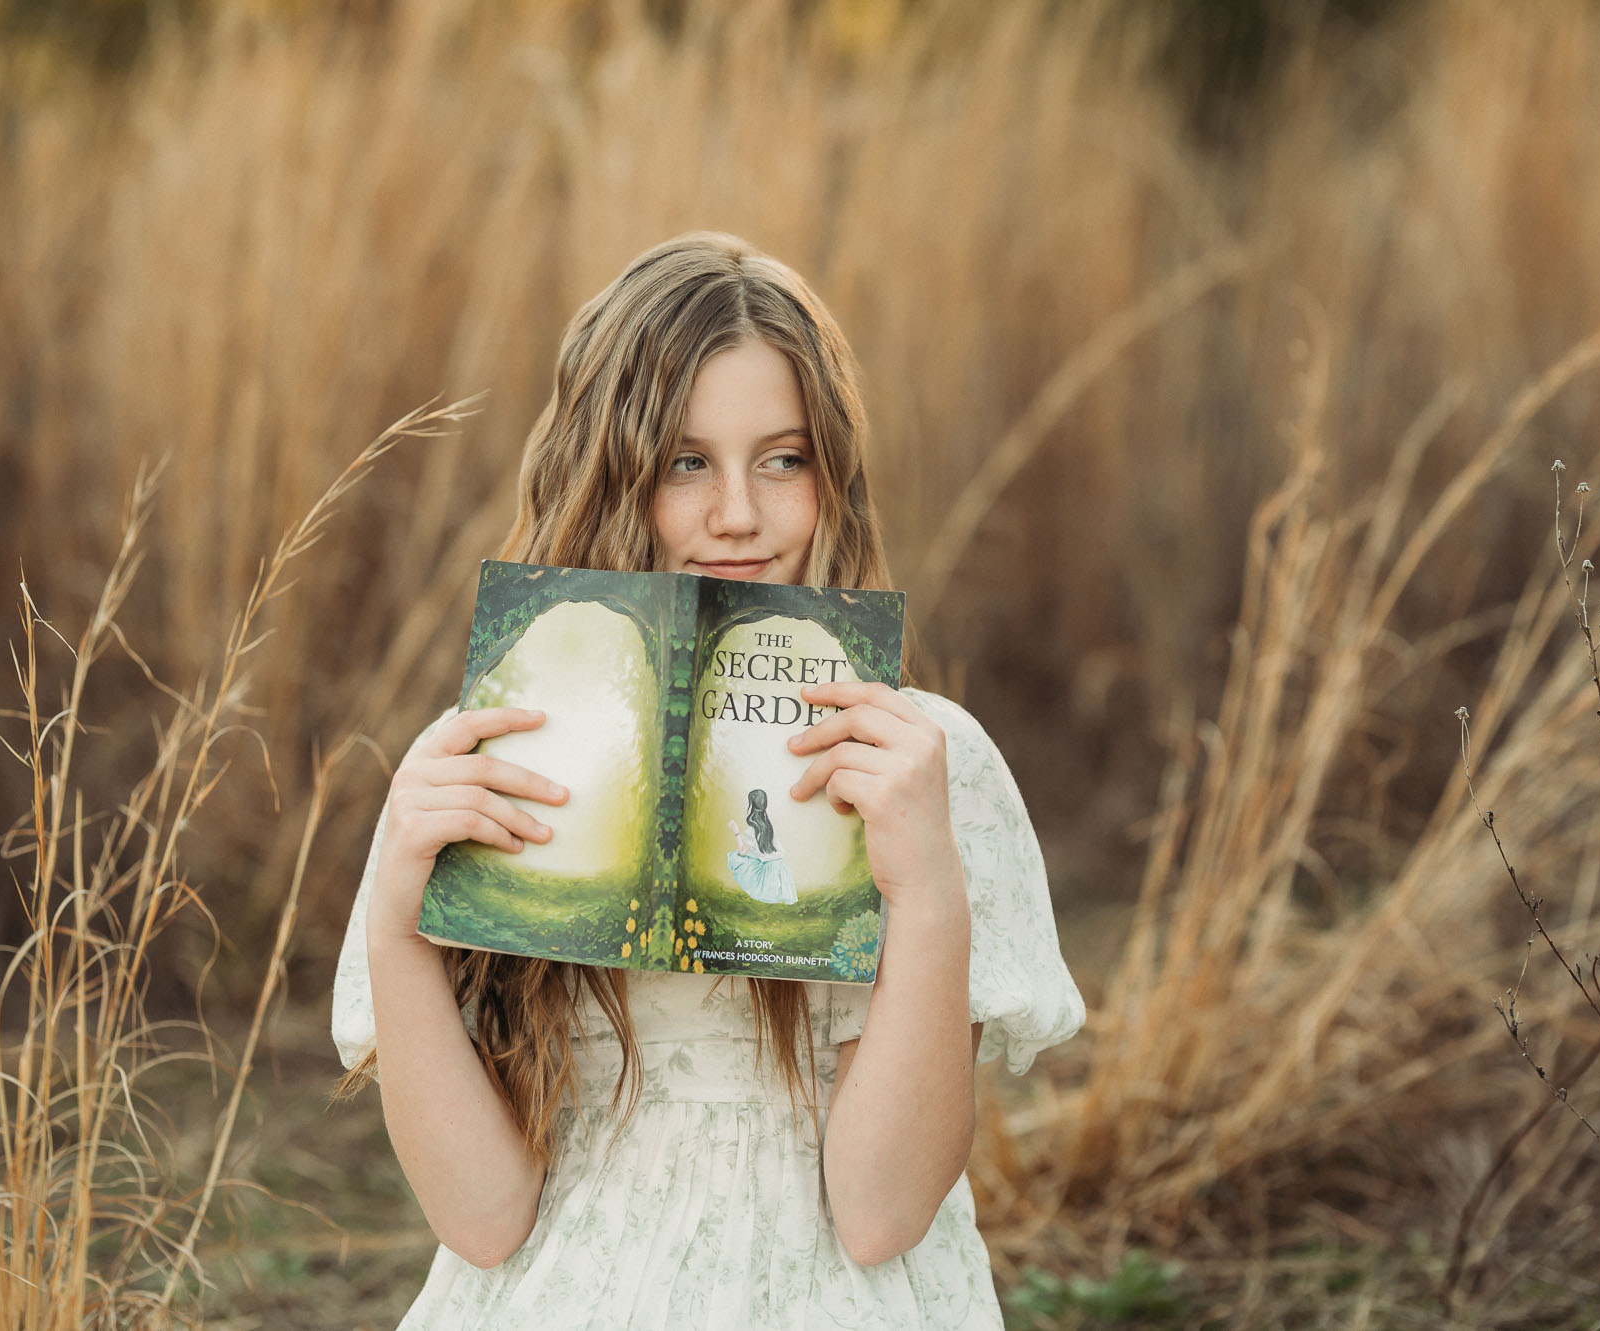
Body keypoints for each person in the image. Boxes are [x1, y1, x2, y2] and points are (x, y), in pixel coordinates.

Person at [330, 231, 1085, 1329]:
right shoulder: (483, 754)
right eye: (685, 463)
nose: (738, 512)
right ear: (607, 472)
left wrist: (925, 889)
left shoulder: (919, 762)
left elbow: (878, 1214)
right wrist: (400, 926)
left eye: (782, 458)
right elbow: (483, 1219)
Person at [727, 790, 799, 905]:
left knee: (736, 856)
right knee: (751, 853)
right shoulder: (768, 825)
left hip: (769, 872)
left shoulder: (752, 831)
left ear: (751, 806)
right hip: (782, 867)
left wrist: (736, 831)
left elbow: (742, 852)